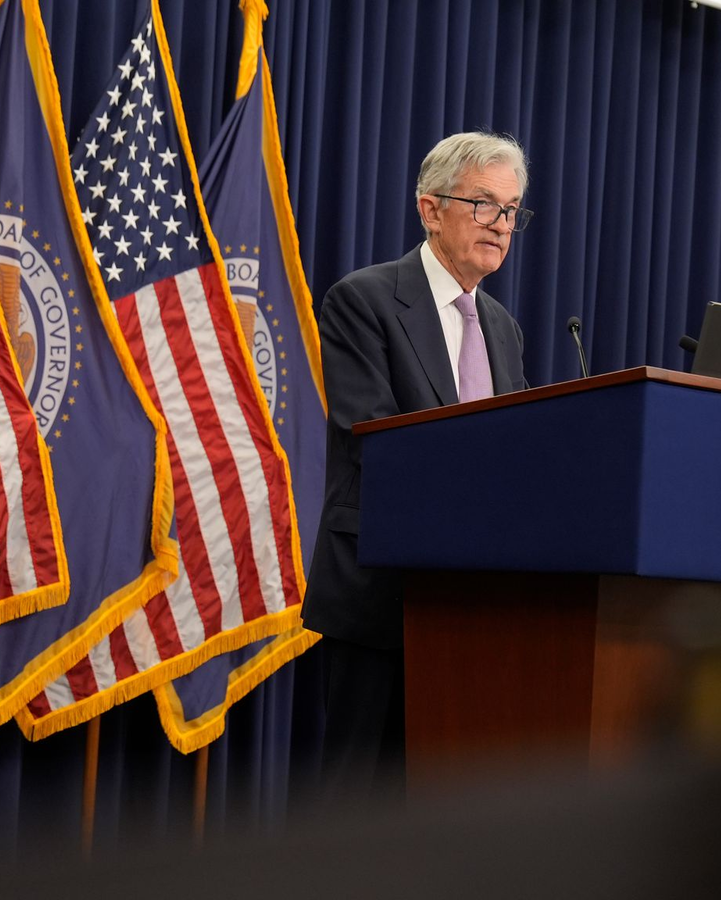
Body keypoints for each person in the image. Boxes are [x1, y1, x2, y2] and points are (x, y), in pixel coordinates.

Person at [301, 131, 531, 802]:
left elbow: (516, 451)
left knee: (442, 807)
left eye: (512, 210)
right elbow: (373, 437)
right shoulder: (364, 301)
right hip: (384, 594)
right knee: (359, 805)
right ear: (431, 209)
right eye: (484, 204)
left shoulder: (503, 328)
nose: (501, 224)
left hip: (475, 604)